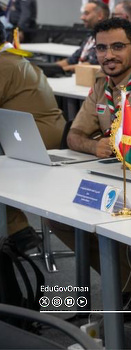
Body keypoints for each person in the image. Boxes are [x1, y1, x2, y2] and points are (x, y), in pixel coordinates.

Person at [51, 17, 131, 300]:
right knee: (58, 217)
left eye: (118, 47)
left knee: (120, 221)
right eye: (102, 48)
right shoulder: (102, 85)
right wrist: (93, 145)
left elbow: (127, 145)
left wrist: (97, 143)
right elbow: (74, 135)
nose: (108, 55)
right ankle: (128, 284)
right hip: (113, 175)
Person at [1, 28, 65, 241]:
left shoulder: (4, 65)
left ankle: (17, 233)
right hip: (37, 136)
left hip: (33, 141)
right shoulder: (13, 59)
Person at [56, 1, 108, 72]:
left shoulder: (106, 39)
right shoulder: (91, 37)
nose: (82, 17)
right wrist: (49, 67)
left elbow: (92, 65)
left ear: (99, 16)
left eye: (86, 13)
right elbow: (71, 60)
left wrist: (60, 70)